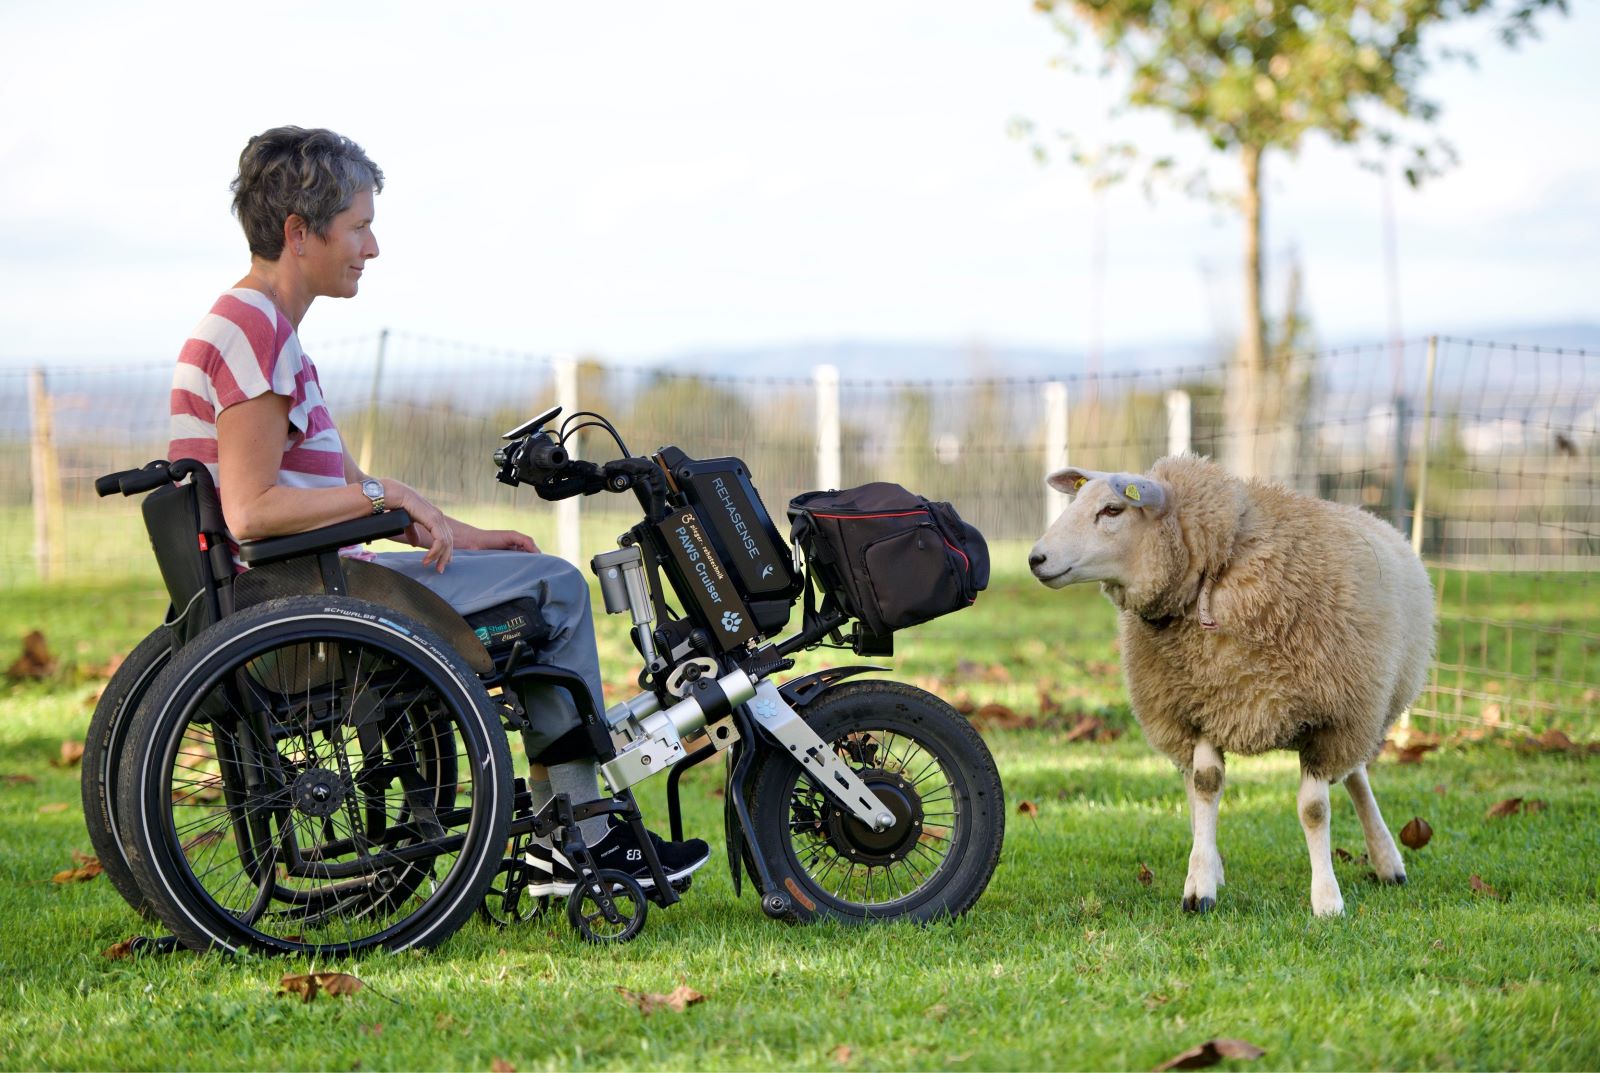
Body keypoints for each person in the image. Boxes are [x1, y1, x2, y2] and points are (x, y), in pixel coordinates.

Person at [167, 125, 708, 896]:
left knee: (524, 569)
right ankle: (580, 835)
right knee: (555, 588)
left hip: (309, 588)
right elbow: (252, 511)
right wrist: (394, 497)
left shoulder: (262, 329)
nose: (373, 247)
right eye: (358, 226)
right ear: (299, 232)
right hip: (308, 610)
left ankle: (569, 826)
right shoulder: (255, 332)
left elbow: (339, 487)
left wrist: (456, 532)